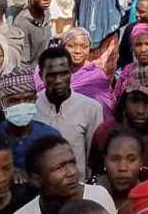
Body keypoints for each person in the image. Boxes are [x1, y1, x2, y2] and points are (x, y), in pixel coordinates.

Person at [32, 45, 104, 181]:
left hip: (77, 186)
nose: (59, 80)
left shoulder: (91, 108)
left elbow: (93, 158)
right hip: (41, 187)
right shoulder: (31, 106)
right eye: (52, 75)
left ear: (71, 72)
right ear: (41, 76)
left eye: (64, 73)